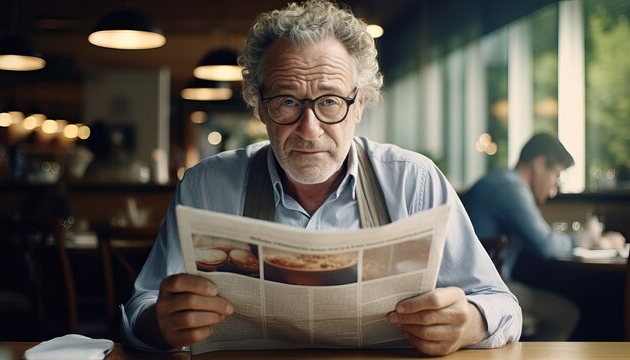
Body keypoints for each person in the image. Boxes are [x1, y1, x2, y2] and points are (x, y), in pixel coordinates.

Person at [121, 0, 521, 355]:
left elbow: (502, 305)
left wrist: (470, 321)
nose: (309, 129)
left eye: (330, 101)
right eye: (287, 102)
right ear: (260, 107)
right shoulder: (206, 186)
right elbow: (142, 306)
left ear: (359, 104)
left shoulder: (414, 182)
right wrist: (159, 324)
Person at [462, 133, 625, 340]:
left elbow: (543, 237)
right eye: (556, 175)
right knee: (565, 314)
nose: (554, 190)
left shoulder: (502, 181)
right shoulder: (509, 187)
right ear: (539, 164)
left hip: (478, 286)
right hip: (482, 291)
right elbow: (546, 244)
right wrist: (589, 238)